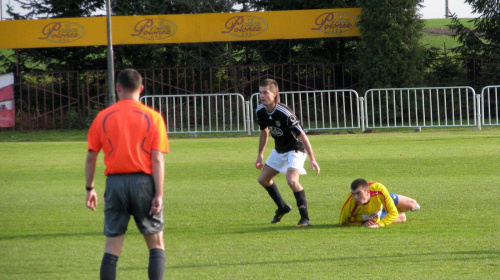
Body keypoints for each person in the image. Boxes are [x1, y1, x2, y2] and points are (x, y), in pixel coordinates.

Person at [85, 69, 169, 280]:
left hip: (114, 183)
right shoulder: (153, 117)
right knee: (156, 244)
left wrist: (90, 189)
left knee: (112, 247)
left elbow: (91, 157)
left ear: (118, 88)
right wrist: (159, 193)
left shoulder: (103, 117)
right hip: (143, 183)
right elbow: (157, 159)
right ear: (141, 88)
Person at [255, 79, 320, 227]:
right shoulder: (260, 110)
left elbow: (302, 135)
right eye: (260, 93)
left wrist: (312, 159)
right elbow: (264, 131)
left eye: (265, 93)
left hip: (296, 149)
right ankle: (283, 207)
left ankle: (305, 219)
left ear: (275, 94)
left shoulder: (284, 113)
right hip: (279, 150)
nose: (262, 96)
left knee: (292, 180)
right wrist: (260, 154)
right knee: (263, 180)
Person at [339, 178, 420, 228]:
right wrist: (361, 224)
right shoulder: (349, 203)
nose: (355, 197)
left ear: (367, 192)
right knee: (402, 217)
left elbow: (393, 213)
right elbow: (342, 222)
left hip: (381, 200)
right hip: (374, 214)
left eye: (359, 193)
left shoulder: (378, 189)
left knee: (412, 204)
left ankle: (389, 205)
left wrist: (379, 225)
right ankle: (387, 212)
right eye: (353, 194)